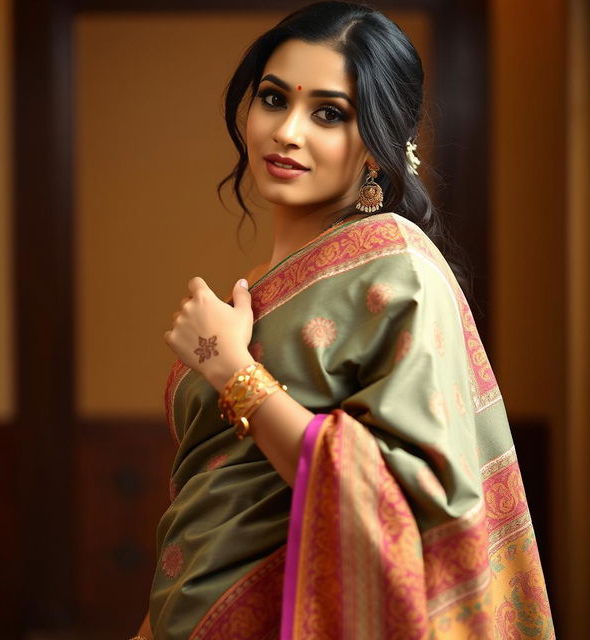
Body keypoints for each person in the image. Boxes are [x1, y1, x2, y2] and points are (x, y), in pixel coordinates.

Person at [131, 2, 554, 638]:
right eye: (274, 99)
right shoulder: (267, 288)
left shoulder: (397, 269)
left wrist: (232, 369)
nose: (287, 131)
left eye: (328, 113)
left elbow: (415, 502)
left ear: (381, 148)